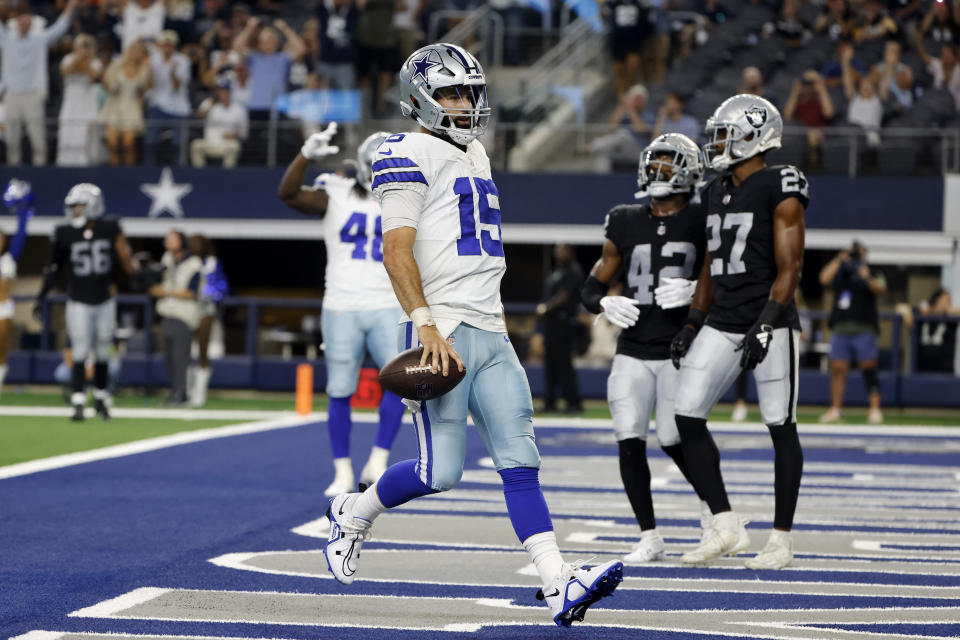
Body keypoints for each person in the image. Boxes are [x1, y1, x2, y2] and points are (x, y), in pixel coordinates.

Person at [324, 43, 622, 627]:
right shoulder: (404, 150)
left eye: (470, 93)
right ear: (418, 99)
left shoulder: (477, 152)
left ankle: (557, 582)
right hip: (445, 330)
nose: (465, 104)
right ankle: (353, 515)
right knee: (443, 473)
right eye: (452, 93)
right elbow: (395, 250)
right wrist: (425, 324)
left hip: (491, 326)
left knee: (520, 460)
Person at [670, 94, 808, 570]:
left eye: (725, 134)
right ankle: (726, 525)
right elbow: (710, 262)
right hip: (723, 319)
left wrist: (768, 323)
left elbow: (792, 267)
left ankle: (782, 540)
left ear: (756, 136)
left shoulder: (780, 183)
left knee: (779, 426)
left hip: (770, 320)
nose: (717, 143)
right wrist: (692, 319)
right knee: (685, 415)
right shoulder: (714, 189)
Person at [581, 133, 728, 563]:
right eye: (655, 161)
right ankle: (649, 535)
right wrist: (603, 301)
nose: (658, 169)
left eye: (668, 162)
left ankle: (712, 513)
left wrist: (698, 290)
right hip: (632, 348)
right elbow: (592, 284)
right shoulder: (624, 219)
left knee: (673, 435)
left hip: (681, 346)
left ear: (688, 170)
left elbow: (723, 276)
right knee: (629, 439)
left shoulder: (702, 219)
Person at [277, 123, 405, 496]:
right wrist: (305, 155)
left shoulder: (409, 199)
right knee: (339, 391)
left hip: (386, 302)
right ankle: (343, 472)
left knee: (400, 384)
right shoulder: (336, 193)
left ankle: (378, 460)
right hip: (342, 305)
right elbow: (287, 193)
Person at [35, 183, 137, 421]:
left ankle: (101, 399)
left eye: (79, 206)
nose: (75, 211)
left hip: (104, 299)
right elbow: (53, 268)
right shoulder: (64, 232)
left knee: (102, 351)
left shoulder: (110, 227)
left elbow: (125, 258)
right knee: (80, 350)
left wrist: (137, 275)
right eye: (73, 207)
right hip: (79, 299)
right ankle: (78, 401)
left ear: (93, 205)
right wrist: (41, 295)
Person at [0, 0, 78, 166]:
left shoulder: (39, 39)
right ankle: (13, 169)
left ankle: (40, 170)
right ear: (17, 24)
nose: (24, 25)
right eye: (22, 22)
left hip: (33, 94)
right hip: (12, 93)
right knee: (12, 137)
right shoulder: (7, 38)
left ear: (31, 25)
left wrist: (71, 6)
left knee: (37, 136)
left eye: (28, 22)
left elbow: (60, 28)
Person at [818, 241, 886, 425]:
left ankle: (874, 409)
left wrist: (866, 276)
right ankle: (835, 410)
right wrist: (839, 260)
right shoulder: (842, 273)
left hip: (864, 327)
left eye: (859, 254)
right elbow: (823, 278)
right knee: (838, 369)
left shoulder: (872, 272)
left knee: (868, 368)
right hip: (841, 327)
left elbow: (881, 288)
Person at [149, 230, 203, 406]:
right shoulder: (167, 259)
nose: (167, 242)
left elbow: (191, 293)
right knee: (168, 357)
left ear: (181, 241)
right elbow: (157, 284)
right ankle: (175, 392)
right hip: (167, 313)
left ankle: (181, 393)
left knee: (180, 357)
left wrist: (166, 292)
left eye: (172, 239)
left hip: (184, 315)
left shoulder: (194, 262)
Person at [535, 244, 585, 414]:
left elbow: (564, 296)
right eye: (556, 250)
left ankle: (574, 403)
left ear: (570, 252)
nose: (557, 253)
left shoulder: (574, 270)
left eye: (561, 250)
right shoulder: (557, 271)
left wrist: (545, 308)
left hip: (564, 322)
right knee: (550, 365)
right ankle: (550, 402)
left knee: (563, 364)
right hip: (551, 324)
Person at [0, 179, 33, 398]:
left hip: (2, 308)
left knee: (0, 348)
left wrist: (23, 208)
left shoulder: (8, 260)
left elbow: (21, 233)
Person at [187, 234, 228, 407]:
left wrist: (206, 292)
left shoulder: (212, 263)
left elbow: (223, 287)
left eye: (199, 244)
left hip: (205, 309)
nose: (196, 247)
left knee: (203, 351)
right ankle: (186, 391)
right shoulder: (186, 262)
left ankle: (199, 393)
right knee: (186, 351)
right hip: (186, 309)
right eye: (192, 244)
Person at [99, 39, 152, 166]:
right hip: (115, 106)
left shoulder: (145, 70)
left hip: (132, 107)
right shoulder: (116, 66)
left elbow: (146, 89)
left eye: (137, 50)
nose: (133, 53)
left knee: (128, 144)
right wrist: (110, 86)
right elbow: (106, 83)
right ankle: (115, 172)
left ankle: (128, 174)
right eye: (132, 50)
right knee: (112, 143)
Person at [144, 29, 191, 165]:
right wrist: (149, 71)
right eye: (164, 44)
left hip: (178, 107)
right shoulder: (153, 60)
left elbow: (177, 86)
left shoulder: (183, 60)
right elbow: (150, 86)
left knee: (178, 144)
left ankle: (179, 171)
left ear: (174, 45)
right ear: (160, 45)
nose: (166, 47)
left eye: (169, 44)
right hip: (158, 104)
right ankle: (147, 170)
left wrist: (172, 72)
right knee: (150, 141)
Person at [57, 34, 103, 166]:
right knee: (68, 131)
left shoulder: (95, 62)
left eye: (87, 45)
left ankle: (86, 164)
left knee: (86, 135)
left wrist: (86, 59)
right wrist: (79, 57)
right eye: (82, 45)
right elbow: (65, 72)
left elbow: (93, 77)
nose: (84, 48)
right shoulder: (68, 59)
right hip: (71, 102)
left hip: (87, 102)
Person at [897, 288, 960, 374]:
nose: (949, 302)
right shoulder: (923, 314)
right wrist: (908, 313)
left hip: (944, 372)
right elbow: (900, 307)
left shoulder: (950, 319)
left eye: (950, 300)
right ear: (937, 300)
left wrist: (946, 311)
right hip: (921, 370)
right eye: (946, 299)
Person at [190, 81, 248, 168]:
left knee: (234, 146)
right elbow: (200, 115)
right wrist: (211, 103)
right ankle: (200, 175)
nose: (223, 94)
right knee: (196, 145)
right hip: (210, 143)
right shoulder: (212, 105)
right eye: (221, 91)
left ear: (230, 93)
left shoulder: (239, 109)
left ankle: (227, 176)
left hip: (227, 144)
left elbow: (244, 132)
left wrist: (235, 135)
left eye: (225, 91)